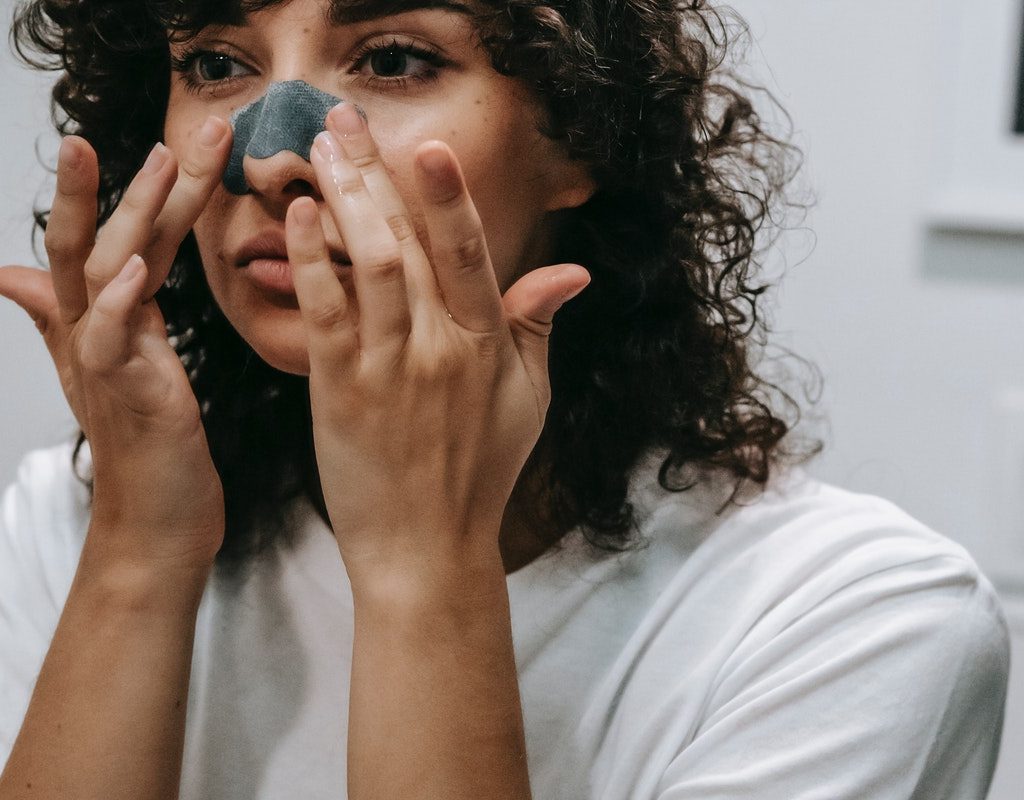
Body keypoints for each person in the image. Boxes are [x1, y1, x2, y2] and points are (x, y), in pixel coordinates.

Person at [0, 0, 1010, 798]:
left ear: (579, 136)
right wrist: (139, 547)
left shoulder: (847, 621)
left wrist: (422, 563)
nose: (270, 155)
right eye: (217, 62)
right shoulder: (75, 521)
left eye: (393, 58)